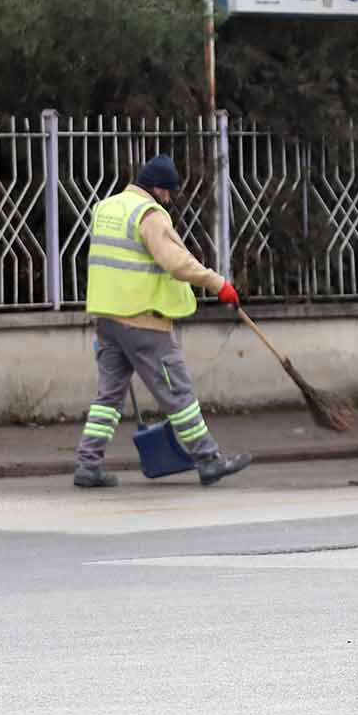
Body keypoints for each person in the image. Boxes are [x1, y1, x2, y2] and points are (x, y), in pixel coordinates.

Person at [71, 155, 254, 489]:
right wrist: (218, 284)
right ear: (156, 188)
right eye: (168, 192)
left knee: (108, 397)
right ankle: (208, 460)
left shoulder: (106, 208)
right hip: (143, 321)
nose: (169, 199)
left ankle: (87, 464)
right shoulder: (149, 215)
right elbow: (177, 262)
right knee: (177, 393)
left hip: (107, 320)